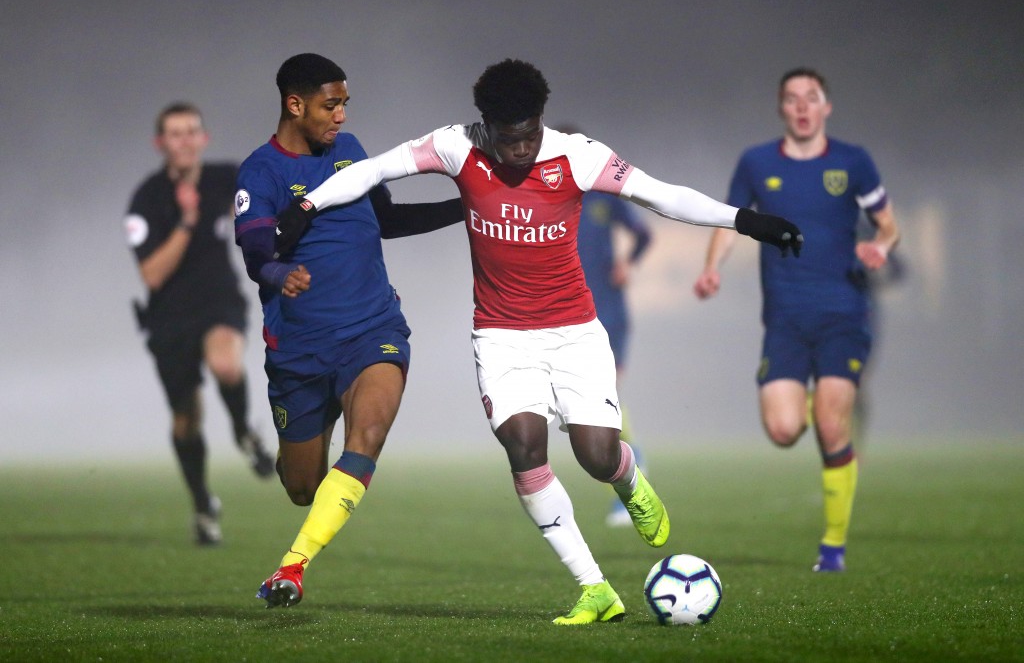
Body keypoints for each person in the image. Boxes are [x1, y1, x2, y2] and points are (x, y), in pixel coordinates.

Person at [275, 58, 802, 624]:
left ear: (541, 121)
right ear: (487, 125)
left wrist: (746, 221)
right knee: (524, 446)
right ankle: (594, 588)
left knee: (595, 455)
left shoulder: (577, 155)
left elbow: (661, 196)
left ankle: (626, 476)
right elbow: (375, 170)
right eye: (509, 139)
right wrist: (308, 206)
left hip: (574, 331)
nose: (520, 149)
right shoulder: (458, 147)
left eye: (529, 136)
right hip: (501, 336)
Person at [233, 54, 464, 608]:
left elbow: (385, 221)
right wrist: (279, 273)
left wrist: (465, 208)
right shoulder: (260, 172)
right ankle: (325, 409)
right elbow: (254, 252)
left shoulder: (352, 152)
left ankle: (292, 569)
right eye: (329, 105)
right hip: (300, 349)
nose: (339, 116)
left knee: (368, 438)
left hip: (372, 330)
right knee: (303, 490)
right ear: (295, 104)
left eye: (344, 105)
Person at [692, 67, 900, 573]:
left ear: (827, 107)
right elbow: (729, 221)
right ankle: (817, 399)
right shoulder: (757, 162)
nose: (803, 107)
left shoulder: (853, 162)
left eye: (812, 98)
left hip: (843, 314)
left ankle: (833, 547)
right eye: (792, 99)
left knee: (831, 426)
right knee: (784, 430)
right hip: (784, 319)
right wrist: (710, 269)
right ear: (781, 108)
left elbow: (888, 222)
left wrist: (881, 245)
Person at [124, 102, 276, 546]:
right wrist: (188, 221)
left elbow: (264, 199)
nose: (186, 140)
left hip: (218, 303)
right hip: (169, 319)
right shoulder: (146, 199)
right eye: (175, 133)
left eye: (193, 131)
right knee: (185, 421)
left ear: (204, 138)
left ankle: (245, 432)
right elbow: (152, 275)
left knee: (227, 366)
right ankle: (203, 504)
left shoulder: (224, 178)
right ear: (161, 143)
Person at [562, 132, 654, 527]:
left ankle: (630, 483)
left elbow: (644, 233)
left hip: (609, 312)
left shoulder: (601, 193)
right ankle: (632, 471)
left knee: (603, 400)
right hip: (564, 316)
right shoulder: (542, 198)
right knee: (577, 413)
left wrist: (627, 264)